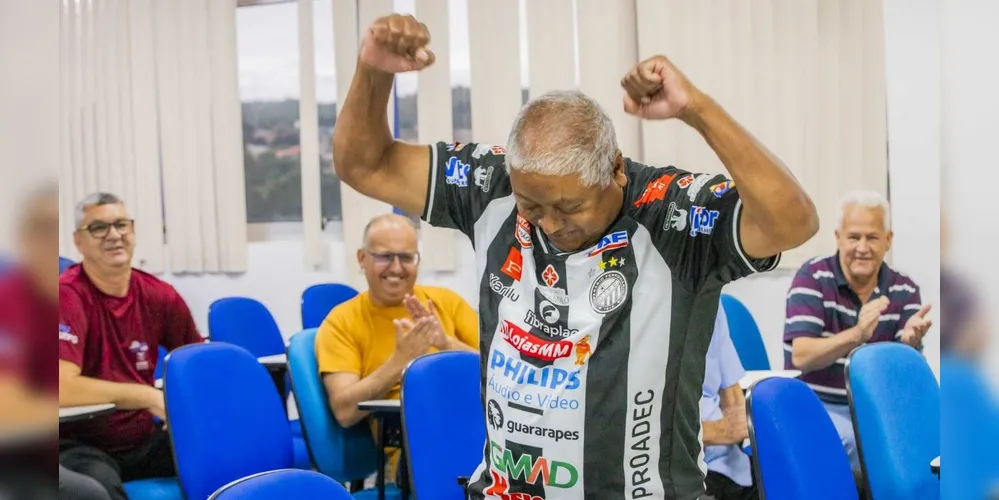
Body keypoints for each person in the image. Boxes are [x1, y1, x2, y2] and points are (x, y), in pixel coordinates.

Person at [332, 14, 818, 499]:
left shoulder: (672, 214)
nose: (548, 224)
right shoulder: (491, 187)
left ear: (616, 170)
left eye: (569, 207)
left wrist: (697, 109)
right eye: (531, 206)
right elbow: (364, 164)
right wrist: (375, 71)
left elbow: (793, 223)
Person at [58, 193, 204, 500]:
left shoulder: (159, 295)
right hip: (78, 443)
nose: (114, 235)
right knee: (97, 489)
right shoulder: (67, 296)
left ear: (133, 232)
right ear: (78, 242)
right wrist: (145, 396)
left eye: (121, 224)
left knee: (223, 450)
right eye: (98, 227)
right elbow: (61, 387)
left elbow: (197, 363)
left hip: (142, 439)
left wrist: (185, 407)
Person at [315, 214, 478, 481]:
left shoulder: (446, 303)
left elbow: (501, 371)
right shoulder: (341, 322)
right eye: (384, 256)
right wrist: (400, 362)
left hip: (477, 423)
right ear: (362, 259)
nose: (396, 268)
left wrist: (447, 344)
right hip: (414, 446)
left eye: (406, 257)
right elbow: (344, 411)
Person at [783, 190, 931, 471]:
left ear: (888, 240)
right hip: (819, 405)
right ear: (838, 238)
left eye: (872, 237)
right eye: (853, 237)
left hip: (879, 409)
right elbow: (801, 356)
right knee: (854, 443)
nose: (862, 247)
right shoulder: (813, 278)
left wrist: (908, 346)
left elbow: (900, 379)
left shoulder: (904, 288)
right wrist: (857, 334)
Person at [700, 305, 756, 500]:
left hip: (729, 463)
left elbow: (731, 391)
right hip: (684, 470)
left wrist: (739, 429)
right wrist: (717, 431)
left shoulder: (710, 301)